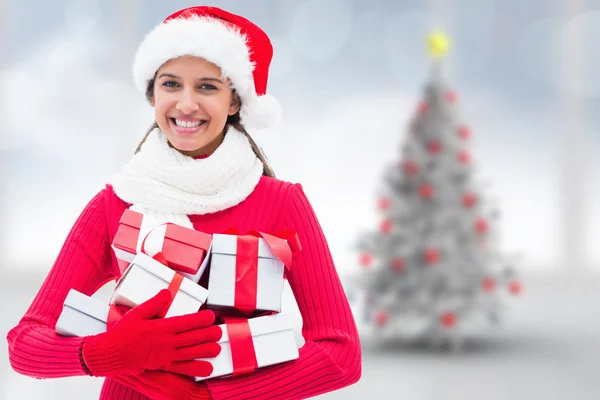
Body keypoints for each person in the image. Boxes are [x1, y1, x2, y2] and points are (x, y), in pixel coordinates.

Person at [6, 5, 361, 400]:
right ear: (152, 94)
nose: (186, 104)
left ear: (235, 102)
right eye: (171, 84)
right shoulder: (115, 204)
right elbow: (24, 346)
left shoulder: (281, 204)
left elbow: (341, 355)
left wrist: (211, 398)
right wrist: (107, 353)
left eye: (207, 86)